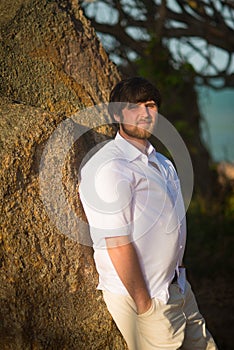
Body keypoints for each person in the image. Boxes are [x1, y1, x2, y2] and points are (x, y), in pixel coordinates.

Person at [79, 77, 218, 349]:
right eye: (135, 106)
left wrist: (179, 281)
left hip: (177, 288)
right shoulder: (108, 167)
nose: (145, 114)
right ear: (118, 113)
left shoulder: (162, 162)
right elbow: (117, 243)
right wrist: (144, 306)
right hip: (146, 300)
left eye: (151, 105)